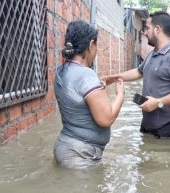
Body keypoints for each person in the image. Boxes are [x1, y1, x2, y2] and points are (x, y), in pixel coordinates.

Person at [102, 11, 170, 138]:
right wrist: (113, 78)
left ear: (157, 29)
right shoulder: (153, 54)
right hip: (148, 122)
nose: (145, 33)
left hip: (167, 125)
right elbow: (138, 72)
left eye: (147, 28)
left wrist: (158, 102)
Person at [53, 20, 125, 168]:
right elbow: (106, 118)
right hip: (80, 155)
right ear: (91, 45)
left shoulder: (61, 71)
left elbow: (76, 94)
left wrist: (98, 84)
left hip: (65, 147)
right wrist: (120, 95)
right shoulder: (87, 75)